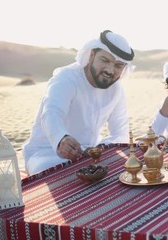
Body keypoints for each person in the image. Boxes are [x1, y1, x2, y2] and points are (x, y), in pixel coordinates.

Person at [22, 30, 135, 175]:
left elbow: (120, 132)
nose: (110, 70)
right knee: (53, 171)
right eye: (105, 60)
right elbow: (51, 113)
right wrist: (61, 138)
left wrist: (101, 149)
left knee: (121, 165)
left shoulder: (117, 90)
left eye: (118, 65)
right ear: (91, 56)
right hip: (49, 153)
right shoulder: (67, 78)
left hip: (89, 154)